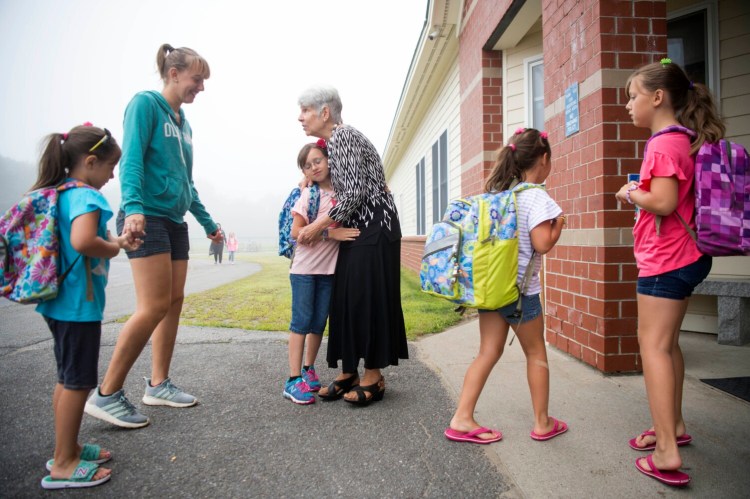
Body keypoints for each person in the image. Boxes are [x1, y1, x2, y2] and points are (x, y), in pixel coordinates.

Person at [85, 44, 221, 429]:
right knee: (153, 305)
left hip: (175, 220)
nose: (202, 88)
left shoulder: (185, 124)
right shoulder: (145, 104)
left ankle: (158, 383)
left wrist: (208, 223)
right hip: (146, 216)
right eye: (198, 79)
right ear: (174, 73)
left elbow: (186, 183)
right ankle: (107, 393)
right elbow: (130, 159)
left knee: (173, 302)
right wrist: (135, 206)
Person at [616, 59, 720, 487]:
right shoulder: (685, 138)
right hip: (690, 255)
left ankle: (666, 451)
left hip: (667, 260)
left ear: (658, 98)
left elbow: (662, 201)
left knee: (653, 348)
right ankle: (672, 427)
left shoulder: (662, 143)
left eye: (633, 96)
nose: (627, 106)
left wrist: (630, 191)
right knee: (669, 345)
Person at [33, 124, 142, 489]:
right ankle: (63, 463)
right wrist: (114, 247)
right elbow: (83, 241)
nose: (112, 175)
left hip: (60, 302)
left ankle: (69, 446)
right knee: (78, 382)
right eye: (110, 168)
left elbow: (80, 236)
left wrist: (117, 240)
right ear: (90, 161)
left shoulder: (63, 193)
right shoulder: (88, 197)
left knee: (67, 380)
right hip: (79, 306)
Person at [445, 128, 568, 445]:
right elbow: (541, 245)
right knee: (536, 352)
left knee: (488, 351)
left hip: (493, 289)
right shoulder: (536, 196)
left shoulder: (502, 196)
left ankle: (462, 417)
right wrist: (558, 226)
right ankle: (543, 422)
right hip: (521, 295)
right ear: (544, 159)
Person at [296, 86, 408, 405]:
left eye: (305, 110)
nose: (300, 117)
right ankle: (349, 371)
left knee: (368, 298)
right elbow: (340, 181)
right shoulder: (336, 142)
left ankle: (374, 376)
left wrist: (317, 226)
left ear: (325, 112)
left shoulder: (344, 136)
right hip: (356, 227)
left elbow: (355, 194)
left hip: (375, 228)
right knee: (346, 297)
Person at [283, 141, 360, 404]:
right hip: (304, 270)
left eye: (317, 160)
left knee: (318, 324)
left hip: (329, 272)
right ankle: (293, 380)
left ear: (328, 160)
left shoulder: (342, 192)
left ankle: (309, 369)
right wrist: (330, 232)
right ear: (304, 172)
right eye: (307, 165)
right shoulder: (309, 195)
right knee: (301, 323)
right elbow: (296, 233)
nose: (314, 167)